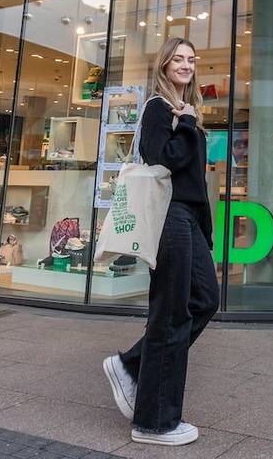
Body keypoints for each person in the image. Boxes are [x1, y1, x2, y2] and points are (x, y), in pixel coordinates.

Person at [101, 37, 218, 447]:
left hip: (188, 219)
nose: (185, 65)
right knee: (171, 312)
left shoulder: (188, 110)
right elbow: (161, 157)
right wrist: (184, 123)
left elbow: (194, 179)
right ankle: (155, 423)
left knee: (205, 299)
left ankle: (132, 365)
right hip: (169, 216)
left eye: (191, 59)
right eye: (178, 59)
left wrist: (204, 227)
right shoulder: (158, 107)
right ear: (165, 64)